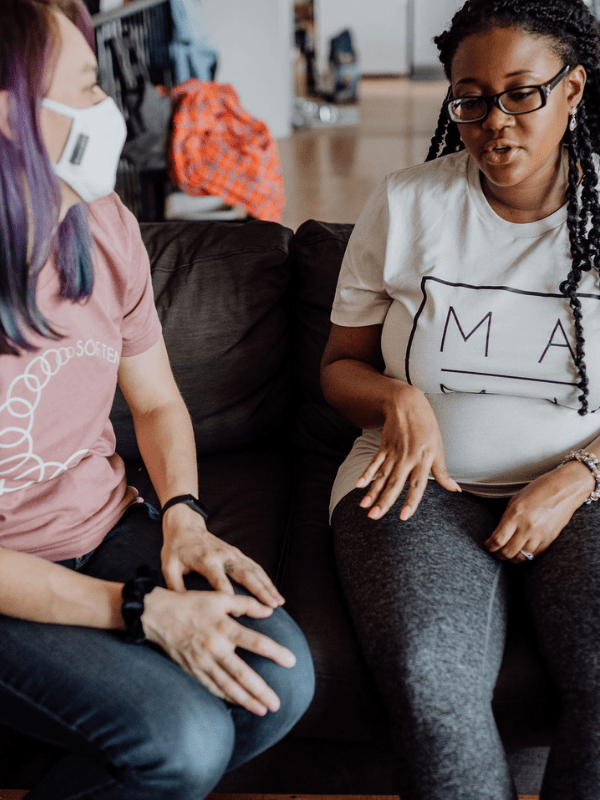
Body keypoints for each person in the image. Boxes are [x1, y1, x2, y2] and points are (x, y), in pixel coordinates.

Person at [0, 1, 314, 798]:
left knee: (280, 679)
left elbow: (159, 403)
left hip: (105, 529)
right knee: (181, 741)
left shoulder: (104, 228)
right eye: (85, 88)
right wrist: (139, 611)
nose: (110, 111)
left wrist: (182, 516)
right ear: (8, 116)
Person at [321, 0, 600, 798]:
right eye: (470, 99)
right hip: (412, 485)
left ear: (573, 88)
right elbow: (339, 366)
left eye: (522, 93)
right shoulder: (409, 203)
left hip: (582, 490)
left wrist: (580, 474)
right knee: (429, 683)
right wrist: (395, 399)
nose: (494, 123)